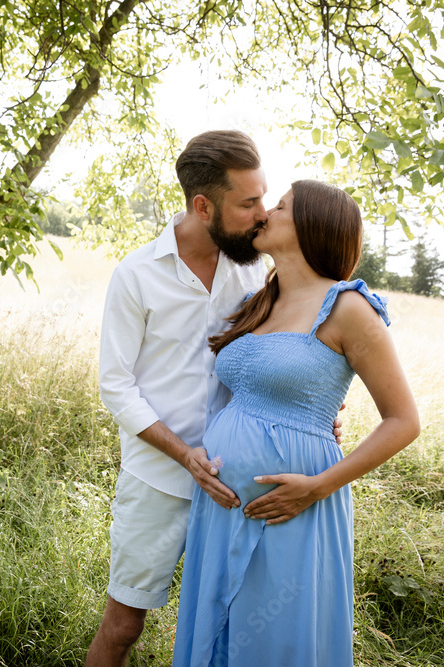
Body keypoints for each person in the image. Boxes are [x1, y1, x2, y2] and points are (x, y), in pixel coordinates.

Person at [87, 132, 343, 666]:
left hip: (240, 485)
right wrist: (185, 456)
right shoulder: (137, 275)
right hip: (159, 479)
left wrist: (317, 409)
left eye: (264, 197)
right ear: (203, 207)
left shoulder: (258, 271)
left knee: (237, 627)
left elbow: (296, 347)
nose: (262, 213)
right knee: (123, 625)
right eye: (247, 203)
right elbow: (116, 384)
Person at [170, 179, 421, 666]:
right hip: (221, 507)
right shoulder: (261, 300)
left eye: (281, 207)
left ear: (312, 225)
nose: (265, 213)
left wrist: (317, 486)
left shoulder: (349, 308)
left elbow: (404, 420)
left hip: (295, 503)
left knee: (276, 636)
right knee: (219, 637)